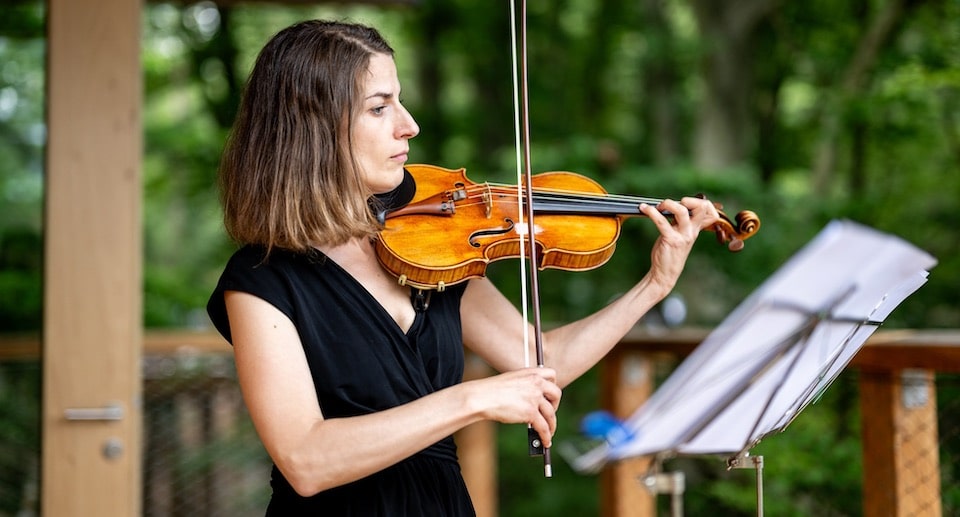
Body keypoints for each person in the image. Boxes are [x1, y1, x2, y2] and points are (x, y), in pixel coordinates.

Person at [206, 19, 719, 516]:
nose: (410, 124)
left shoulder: (431, 249)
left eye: (399, 100)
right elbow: (305, 460)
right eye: (380, 108)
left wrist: (654, 285)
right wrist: (473, 399)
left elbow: (544, 361)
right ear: (312, 128)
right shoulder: (261, 281)